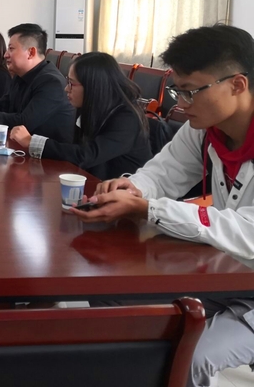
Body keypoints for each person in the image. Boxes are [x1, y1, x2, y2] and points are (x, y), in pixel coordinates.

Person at [71, 24, 254, 387]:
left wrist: (148, 209)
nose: (180, 103)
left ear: (237, 85)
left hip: (242, 281)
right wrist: (133, 187)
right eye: (177, 90)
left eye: (190, 91)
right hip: (228, 274)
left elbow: (248, 231)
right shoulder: (206, 130)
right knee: (109, 294)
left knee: (188, 360)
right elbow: (164, 172)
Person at [9, 52, 152, 180]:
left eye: (71, 83)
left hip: (123, 193)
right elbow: (75, 149)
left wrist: (32, 142)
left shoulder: (127, 118)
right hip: (93, 184)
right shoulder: (91, 107)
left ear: (93, 86)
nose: (66, 89)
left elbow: (86, 155)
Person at [0, 23, 74, 142]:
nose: (5, 54)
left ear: (31, 52)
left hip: (47, 152)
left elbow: (24, 122)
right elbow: (5, 103)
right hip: (20, 146)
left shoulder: (51, 82)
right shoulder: (21, 75)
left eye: (11, 49)